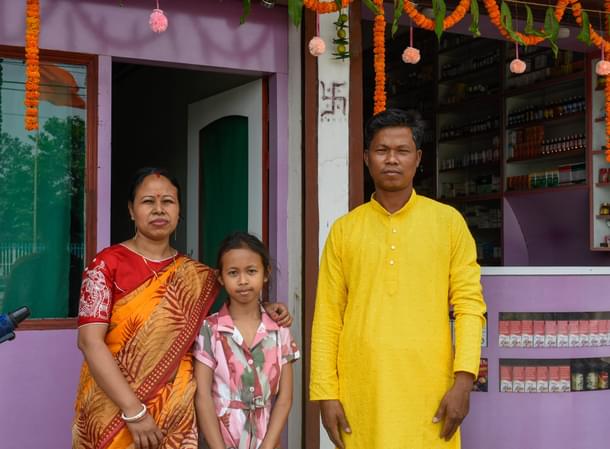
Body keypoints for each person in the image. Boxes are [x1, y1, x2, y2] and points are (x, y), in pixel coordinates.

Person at [72, 168, 291, 449]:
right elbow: (89, 342)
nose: (159, 209)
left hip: (174, 418)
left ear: (178, 210)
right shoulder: (105, 265)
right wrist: (134, 411)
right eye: (148, 201)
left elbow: (241, 291)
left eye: (168, 202)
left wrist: (271, 309)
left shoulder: (198, 276)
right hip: (112, 412)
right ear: (131, 210)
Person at [310, 109, 487, 449]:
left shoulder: (448, 223)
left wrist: (463, 381)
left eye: (402, 150)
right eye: (381, 150)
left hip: (430, 393)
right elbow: (328, 316)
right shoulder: (345, 230)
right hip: (360, 391)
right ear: (366, 158)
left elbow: (469, 306)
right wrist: (325, 392)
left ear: (418, 158)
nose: (391, 159)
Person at [194, 232, 299, 449]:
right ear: (221, 277)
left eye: (251, 271)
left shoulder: (280, 330)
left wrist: (268, 445)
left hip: (267, 442)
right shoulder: (210, 330)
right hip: (221, 440)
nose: (243, 281)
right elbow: (203, 396)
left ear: (266, 273)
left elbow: (285, 397)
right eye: (233, 273)